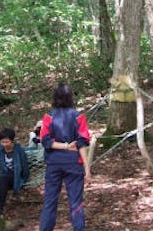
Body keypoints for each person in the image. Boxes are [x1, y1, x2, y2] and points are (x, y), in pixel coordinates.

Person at [38, 83, 91, 231]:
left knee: (50, 202)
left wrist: (63, 146)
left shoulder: (48, 117)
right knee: (76, 203)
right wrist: (87, 169)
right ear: (70, 97)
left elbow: (45, 141)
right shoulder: (78, 117)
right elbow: (81, 144)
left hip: (53, 164)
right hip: (73, 163)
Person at [0, 127, 30, 216]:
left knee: (3, 178)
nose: (4, 144)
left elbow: (25, 167)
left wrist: (24, 180)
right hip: (4, 176)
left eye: (7, 142)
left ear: (12, 141)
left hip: (15, 177)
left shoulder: (19, 150)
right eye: (2, 142)